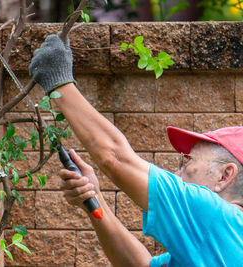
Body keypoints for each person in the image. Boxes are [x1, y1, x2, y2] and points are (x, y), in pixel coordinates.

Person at [29, 34, 243, 266]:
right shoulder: (218, 239)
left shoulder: (217, 217)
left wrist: (59, 83)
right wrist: (94, 198)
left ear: (225, 175)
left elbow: (115, 158)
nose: (177, 173)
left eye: (188, 161)